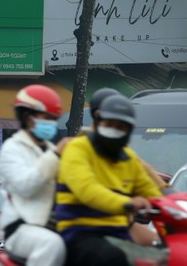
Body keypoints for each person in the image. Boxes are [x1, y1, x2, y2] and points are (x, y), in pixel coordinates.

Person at [56, 95, 162, 266]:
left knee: (167, 256)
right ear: (97, 121)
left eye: (120, 127)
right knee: (113, 257)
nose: (114, 129)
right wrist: (128, 204)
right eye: (109, 124)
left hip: (119, 232)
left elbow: (150, 188)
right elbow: (87, 190)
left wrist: (178, 204)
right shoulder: (77, 149)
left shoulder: (128, 158)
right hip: (82, 231)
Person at [0, 84, 69, 266]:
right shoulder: (12, 149)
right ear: (27, 117)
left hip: (55, 222)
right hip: (21, 227)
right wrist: (56, 156)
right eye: (47, 118)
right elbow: (26, 186)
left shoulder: (50, 149)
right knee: (51, 245)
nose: (52, 123)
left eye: (54, 119)